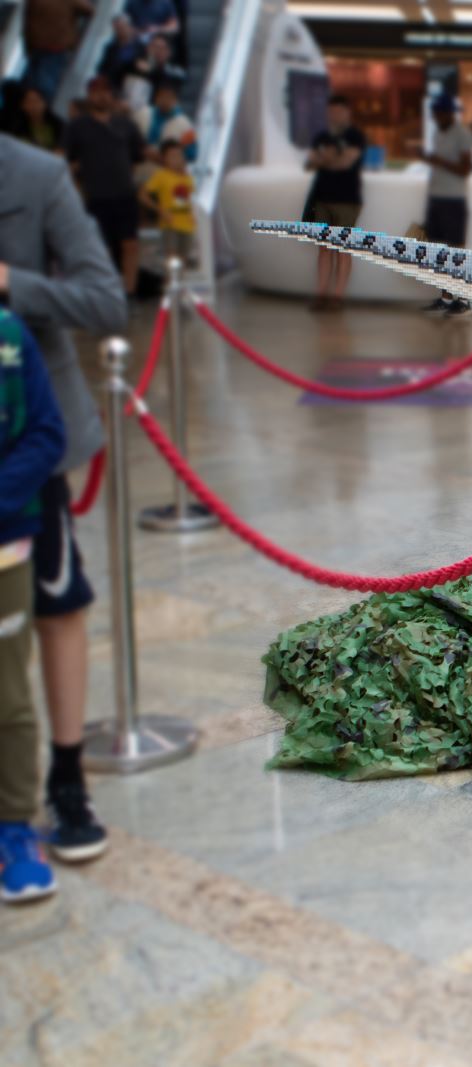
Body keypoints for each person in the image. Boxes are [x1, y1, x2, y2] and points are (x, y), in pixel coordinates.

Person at [0, 132, 128, 865]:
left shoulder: (37, 174)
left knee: (55, 603)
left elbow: (105, 302)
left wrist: (12, 282)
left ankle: (67, 774)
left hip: (26, 438)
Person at [0, 310, 68, 904]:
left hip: (5, 547)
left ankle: (15, 824)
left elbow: (46, 431)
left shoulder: (10, 338)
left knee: (9, 697)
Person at [64, 77, 147, 298]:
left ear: (112, 95)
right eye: (96, 91)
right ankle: (107, 291)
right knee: (103, 248)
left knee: (130, 244)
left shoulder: (125, 124)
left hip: (125, 195)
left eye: (105, 91)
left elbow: (139, 154)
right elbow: (65, 159)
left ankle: (130, 292)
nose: (101, 96)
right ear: (89, 95)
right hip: (97, 196)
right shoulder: (77, 126)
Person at [304, 95, 366, 312]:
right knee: (323, 248)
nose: (334, 115)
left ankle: (337, 296)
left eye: (338, 111)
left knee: (342, 248)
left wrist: (325, 158)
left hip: (347, 200)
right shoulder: (321, 136)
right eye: (331, 111)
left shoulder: (355, 135)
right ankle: (321, 294)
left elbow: (345, 163)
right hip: (322, 198)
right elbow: (310, 163)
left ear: (347, 112)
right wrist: (330, 158)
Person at [420, 94, 472, 318]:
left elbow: (465, 169)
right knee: (439, 250)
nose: (436, 117)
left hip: (454, 199)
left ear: (449, 113)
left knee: (456, 250)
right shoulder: (437, 132)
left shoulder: (463, 134)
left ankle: (463, 299)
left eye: (439, 113)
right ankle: (445, 297)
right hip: (437, 198)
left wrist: (436, 161)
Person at [23, 0, 94, 106]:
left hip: (37, 45)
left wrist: (28, 47)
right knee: (45, 87)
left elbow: (27, 21)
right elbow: (89, 10)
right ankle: (41, 116)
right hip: (56, 47)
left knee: (30, 85)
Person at [139, 139, 194, 264]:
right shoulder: (161, 176)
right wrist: (159, 210)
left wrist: (191, 215)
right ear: (164, 159)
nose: (177, 159)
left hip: (186, 223)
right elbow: (143, 195)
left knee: (183, 259)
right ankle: (172, 281)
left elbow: (186, 199)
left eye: (179, 156)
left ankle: (180, 282)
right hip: (170, 222)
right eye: (172, 156)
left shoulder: (187, 177)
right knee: (172, 259)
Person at [135, 78, 195, 164]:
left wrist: (169, 156)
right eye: (161, 96)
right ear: (156, 98)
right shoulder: (142, 113)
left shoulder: (186, 125)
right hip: (138, 167)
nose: (164, 100)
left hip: (163, 172)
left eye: (168, 97)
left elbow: (192, 153)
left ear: (175, 100)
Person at [122, 33, 185, 113]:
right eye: (154, 47)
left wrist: (151, 71)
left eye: (161, 48)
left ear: (168, 52)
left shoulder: (174, 73)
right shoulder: (136, 66)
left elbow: (165, 88)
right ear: (148, 48)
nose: (157, 51)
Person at [9, 85, 65, 154]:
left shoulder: (58, 126)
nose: (34, 106)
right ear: (22, 105)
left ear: (45, 103)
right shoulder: (16, 125)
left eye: (36, 101)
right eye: (29, 102)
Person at [98, 15, 145, 94]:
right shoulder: (110, 47)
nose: (120, 30)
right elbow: (103, 67)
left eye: (122, 27)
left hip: (130, 86)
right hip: (110, 86)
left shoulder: (140, 48)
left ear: (129, 27)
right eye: (117, 28)